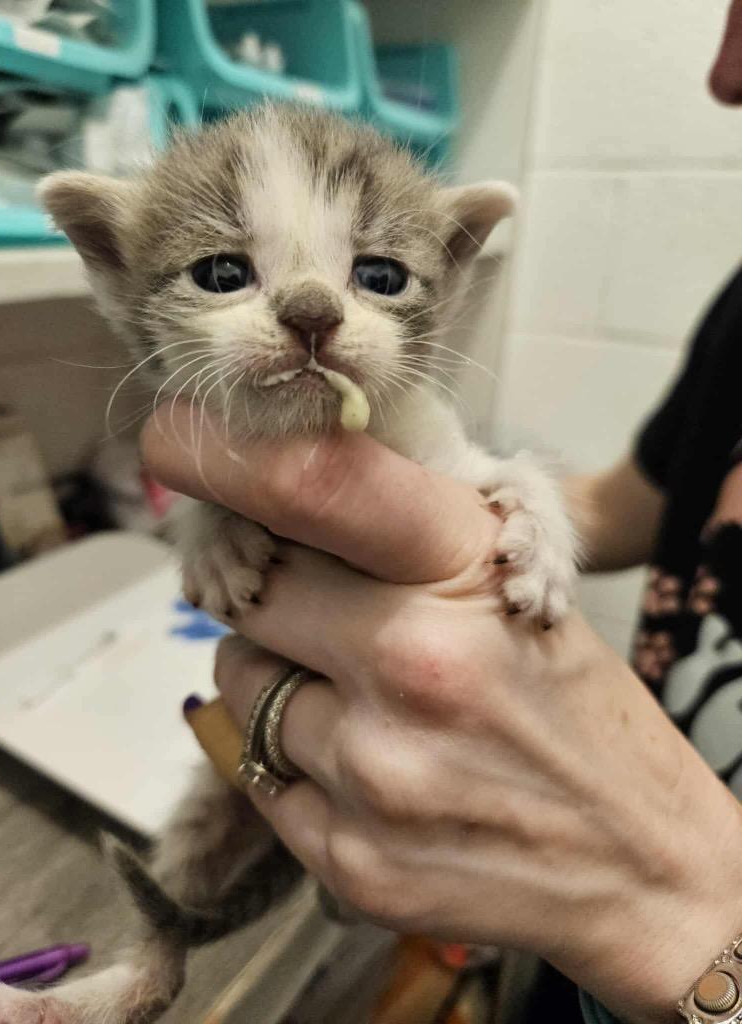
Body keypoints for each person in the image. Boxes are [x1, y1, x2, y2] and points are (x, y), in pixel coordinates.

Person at [141, 5, 742, 1021]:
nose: (724, 71)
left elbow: (480, 476)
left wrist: (675, 900)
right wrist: (210, 526)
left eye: (376, 277)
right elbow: (595, 499)